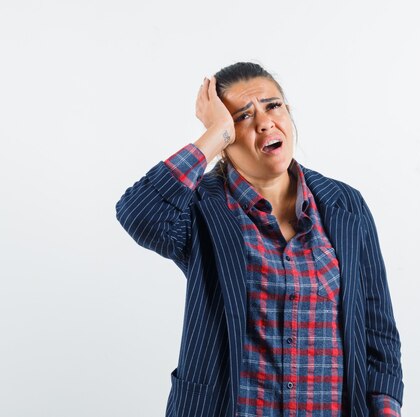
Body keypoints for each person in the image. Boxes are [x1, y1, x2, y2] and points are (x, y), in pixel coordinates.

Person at [115, 62, 403, 417]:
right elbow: (138, 212)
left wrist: (386, 408)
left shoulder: (345, 204)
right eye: (242, 117)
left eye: (273, 105)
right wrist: (212, 135)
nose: (264, 122)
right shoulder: (203, 209)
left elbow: (378, 331)